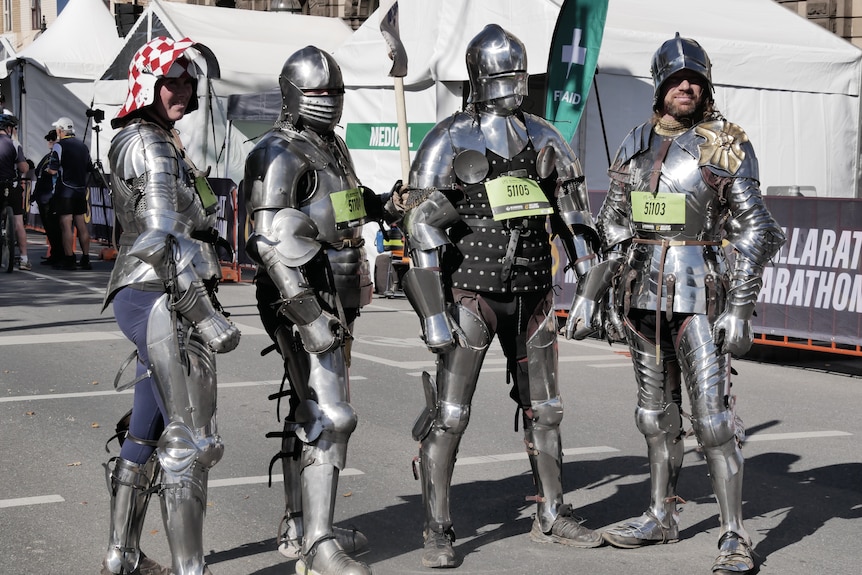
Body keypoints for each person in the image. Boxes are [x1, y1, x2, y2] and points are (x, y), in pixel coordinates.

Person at [566, 34, 786, 575]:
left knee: (712, 421)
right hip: (641, 295)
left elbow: (758, 229)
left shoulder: (725, 142)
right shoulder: (634, 141)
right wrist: (588, 296)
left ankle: (734, 533)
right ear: (660, 85)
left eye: (695, 79)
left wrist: (738, 307)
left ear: (706, 86)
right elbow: (615, 226)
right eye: (674, 79)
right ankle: (659, 513)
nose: (685, 86)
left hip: (701, 294)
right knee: (653, 415)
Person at [398, 24, 604, 568]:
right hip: (472, 294)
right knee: (450, 413)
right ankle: (437, 527)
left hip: (534, 295)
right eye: (503, 74)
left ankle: (553, 511)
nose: (513, 84)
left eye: (519, 73)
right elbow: (420, 228)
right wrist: (433, 314)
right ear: (481, 77)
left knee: (547, 411)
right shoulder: (449, 137)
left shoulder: (545, 137)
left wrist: (587, 288)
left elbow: (575, 219)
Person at [243, 45, 394, 575]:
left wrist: (385, 204)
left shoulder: (329, 148)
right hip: (299, 293)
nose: (328, 100)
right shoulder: (275, 152)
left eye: (335, 92)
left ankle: (300, 524)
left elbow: (343, 205)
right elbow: (262, 240)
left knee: (309, 410)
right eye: (318, 92)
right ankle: (318, 543)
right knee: (331, 416)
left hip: (336, 291)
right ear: (292, 94)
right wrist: (307, 314)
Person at [100, 36, 241, 575]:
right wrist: (206, 314)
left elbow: (190, 220)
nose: (181, 90)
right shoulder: (150, 145)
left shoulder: (162, 140)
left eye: (186, 81)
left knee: (147, 428)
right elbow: (160, 238)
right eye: (171, 81)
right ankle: (190, 570)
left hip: (160, 293)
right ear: (147, 86)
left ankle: (122, 554)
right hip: (162, 295)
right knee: (190, 442)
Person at [46, 115, 92, 270]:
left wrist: (49, 170)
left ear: (60, 130)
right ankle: (86, 258)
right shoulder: (83, 146)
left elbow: (53, 169)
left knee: (66, 225)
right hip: (80, 190)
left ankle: (69, 258)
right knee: (81, 224)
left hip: (65, 190)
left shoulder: (60, 146)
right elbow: (89, 168)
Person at [0, 114, 31, 270]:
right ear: (9, 128)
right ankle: (24, 259)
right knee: (18, 222)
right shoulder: (14, 143)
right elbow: (23, 168)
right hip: (11, 186)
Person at [32, 129, 63, 266]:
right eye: (48, 139)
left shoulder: (56, 156)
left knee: (55, 228)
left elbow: (54, 173)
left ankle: (58, 255)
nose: (50, 141)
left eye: (53, 138)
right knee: (50, 229)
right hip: (42, 196)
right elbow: (39, 174)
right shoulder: (47, 156)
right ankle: (54, 254)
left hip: (51, 197)